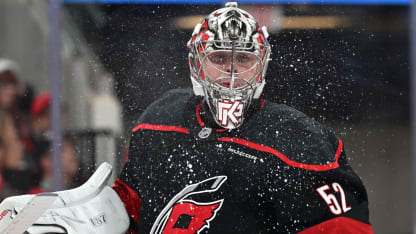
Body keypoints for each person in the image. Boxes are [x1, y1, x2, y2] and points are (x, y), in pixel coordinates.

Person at [1, 2, 373, 233]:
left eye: (243, 59)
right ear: (196, 61)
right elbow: (132, 207)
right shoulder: (159, 120)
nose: (231, 74)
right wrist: (84, 218)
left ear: (261, 66)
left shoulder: (299, 142)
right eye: (220, 58)